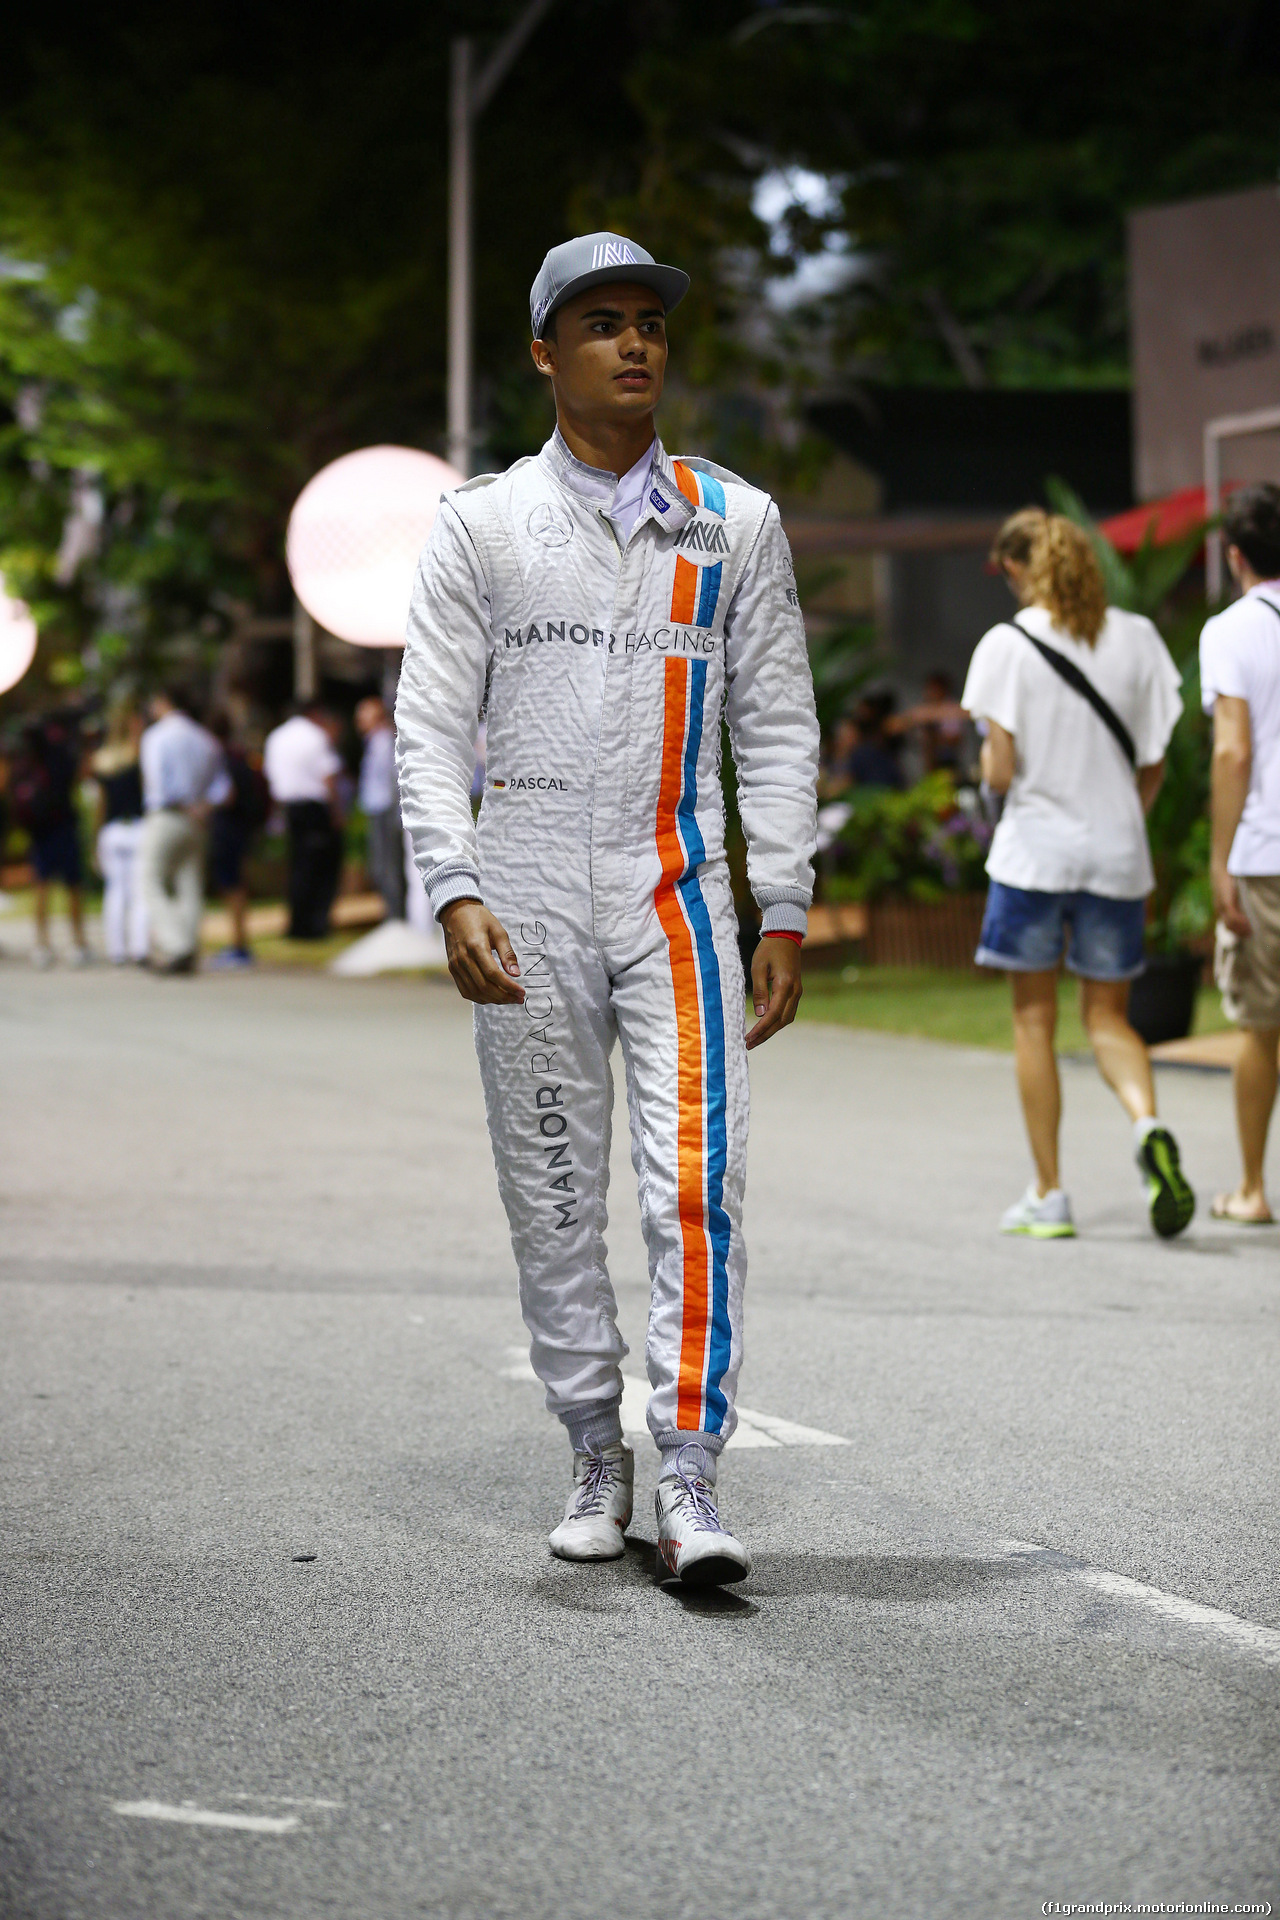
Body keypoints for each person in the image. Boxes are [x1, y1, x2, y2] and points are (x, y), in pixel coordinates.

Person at [396, 232, 819, 1587]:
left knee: (697, 1185)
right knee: (554, 1192)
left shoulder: (732, 520)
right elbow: (426, 724)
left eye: (648, 322)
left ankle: (689, 1471)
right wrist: (454, 883)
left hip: (677, 893)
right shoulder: (479, 523)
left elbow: (776, 722)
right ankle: (594, 1447)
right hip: (522, 891)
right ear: (544, 352)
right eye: (600, 324)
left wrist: (786, 902)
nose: (633, 344)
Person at [962, 508, 1193, 1240]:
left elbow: (1000, 768)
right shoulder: (1138, 637)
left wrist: (983, 770)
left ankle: (1051, 1193)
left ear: (1020, 569)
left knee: (1034, 1020)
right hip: (1117, 855)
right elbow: (1153, 759)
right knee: (1109, 1018)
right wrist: (1124, 813)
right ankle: (1148, 1123)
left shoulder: (1006, 644)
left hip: (1035, 854)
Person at [1199, 482, 1280, 1223]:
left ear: (1234, 556)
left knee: (1261, 1024)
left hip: (1266, 851)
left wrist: (1219, 860)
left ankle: (1254, 1188)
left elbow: (1232, 752)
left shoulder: (1230, 630)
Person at [138, 689, 230, 974]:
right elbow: (223, 787)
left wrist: (182, 803)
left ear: (164, 701)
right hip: (197, 820)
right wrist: (203, 806)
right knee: (189, 884)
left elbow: (156, 780)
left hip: (168, 814)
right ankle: (188, 946)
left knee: (149, 880)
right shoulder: (205, 738)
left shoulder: (157, 736)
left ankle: (176, 945)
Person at [9, 713, 90, 968]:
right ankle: (78, 943)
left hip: (40, 833)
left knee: (41, 886)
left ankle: (41, 944)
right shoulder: (59, 756)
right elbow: (77, 778)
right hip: (62, 828)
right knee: (72, 886)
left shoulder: (23, 763)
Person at [263, 702, 345, 939]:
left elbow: (272, 776)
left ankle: (297, 924)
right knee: (320, 867)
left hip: (288, 808)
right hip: (314, 808)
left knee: (298, 866)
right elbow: (328, 776)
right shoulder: (316, 736)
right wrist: (337, 812)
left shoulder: (276, 737)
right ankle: (316, 925)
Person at [206, 713, 269, 968]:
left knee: (232, 886)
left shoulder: (220, 759)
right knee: (235, 884)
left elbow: (226, 794)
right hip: (241, 827)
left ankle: (239, 943)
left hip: (227, 827)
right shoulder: (239, 755)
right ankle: (239, 942)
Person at [90, 700, 148, 965]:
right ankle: (140, 948)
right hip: (137, 827)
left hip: (112, 831)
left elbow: (99, 807)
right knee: (138, 891)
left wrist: (95, 841)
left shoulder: (102, 760)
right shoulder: (138, 755)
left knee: (115, 891)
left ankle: (117, 950)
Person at [355, 696, 406, 920]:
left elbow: (391, 778)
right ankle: (392, 914)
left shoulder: (384, 740)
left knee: (387, 865)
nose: (358, 720)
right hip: (378, 809)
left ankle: (395, 917)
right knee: (381, 865)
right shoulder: (375, 741)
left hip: (385, 809)